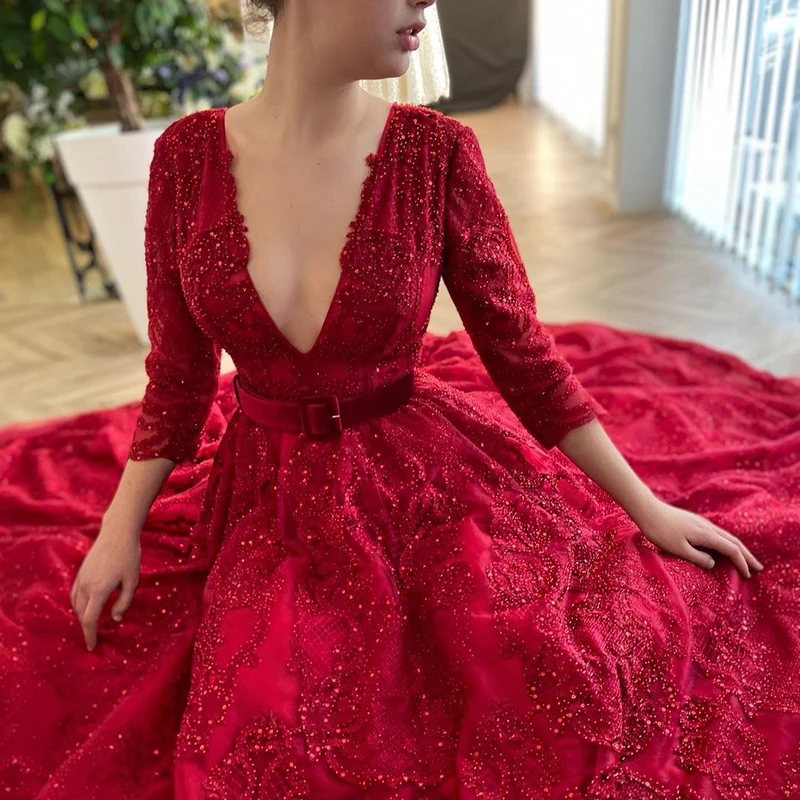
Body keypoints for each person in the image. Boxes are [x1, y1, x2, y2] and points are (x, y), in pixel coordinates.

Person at [61, 0, 798, 797]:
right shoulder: (185, 158)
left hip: (419, 492)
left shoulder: (434, 154)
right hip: (264, 502)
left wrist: (646, 509)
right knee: (264, 728)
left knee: (523, 687)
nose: (426, 2)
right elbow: (179, 377)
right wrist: (118, 530)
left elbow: (524, 358)